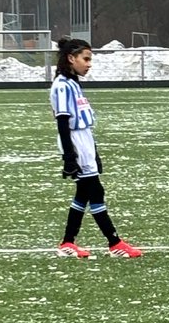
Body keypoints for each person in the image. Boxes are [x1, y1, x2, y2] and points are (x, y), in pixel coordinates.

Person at [50, 37, 143, 259]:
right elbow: (63, 122)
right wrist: (70, 156)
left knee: (84, 192)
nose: (89, 64)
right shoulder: (62, 85)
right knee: (95, 191)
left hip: (84, 141)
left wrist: (95, 151)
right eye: (86, 59)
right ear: (71, 58)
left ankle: (67, 243)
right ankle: (114, 243)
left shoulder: (73, 84)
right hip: (75, 142)